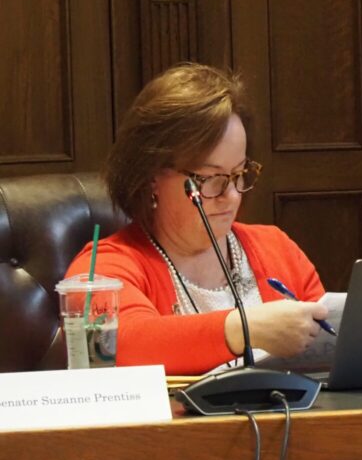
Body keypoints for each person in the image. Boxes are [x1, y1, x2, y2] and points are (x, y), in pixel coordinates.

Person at [65, 64, 329, 375]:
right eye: (210, 178)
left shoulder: (276, 248)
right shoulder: (103, 269)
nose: (231, 195)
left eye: (239, 174)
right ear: (151, 177)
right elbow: (118, 347)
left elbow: (329, 350)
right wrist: (244, 328)